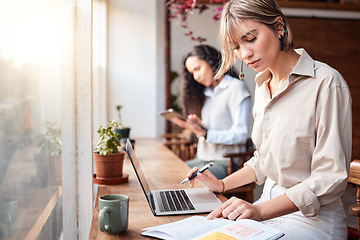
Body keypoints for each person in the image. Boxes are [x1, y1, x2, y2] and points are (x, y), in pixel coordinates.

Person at [185, 1, 352, 239]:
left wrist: (259, 210)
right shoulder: (263, 85)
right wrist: (222, 185)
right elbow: (263, 160)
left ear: (279, 26)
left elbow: (330, 178)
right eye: (236, 47)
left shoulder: (326, 83)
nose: (244, 54)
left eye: (250, 39)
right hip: (266, 212)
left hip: (312, 221)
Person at [171, 44, 252, 180]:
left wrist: (206, 134)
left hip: (226, 163)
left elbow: (241, 134)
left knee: (177, 179)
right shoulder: (208, 93)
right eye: (192, 73)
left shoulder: (236, 88)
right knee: (169, 172)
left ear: (211, 62)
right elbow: (215, 130)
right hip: (203, 160)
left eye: (197, 69)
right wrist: (198, 128)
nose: (196, 76)